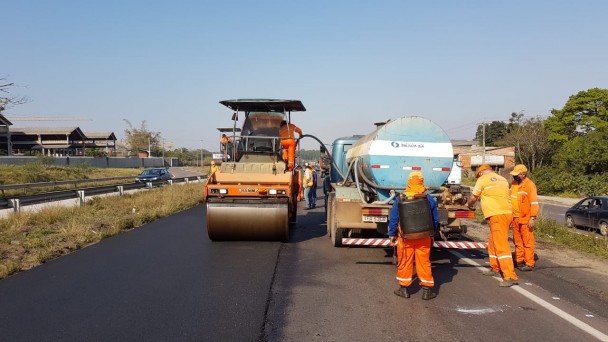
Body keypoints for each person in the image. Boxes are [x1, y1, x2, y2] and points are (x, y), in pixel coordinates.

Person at [389, 171, 439, 300]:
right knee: (424, 262)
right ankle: (427, 291)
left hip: (406, 237)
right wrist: (432, 234)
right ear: (422, 182)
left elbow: (394, 218)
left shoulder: (400, 198)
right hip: (424, 236)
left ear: (409, 182)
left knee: (405, 261)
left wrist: (392, 234)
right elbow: (435, 220)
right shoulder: (429, 199)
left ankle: (404, 289)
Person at [467, 164, 518, 287]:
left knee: (501, 245)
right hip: (507, 213)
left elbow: (474, 197)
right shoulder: (502, 179)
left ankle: (509, 276)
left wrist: (469, 204)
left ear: (480, 173)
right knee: (493, 242)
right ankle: (495, 268)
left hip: (497, 215)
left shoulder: (482, 179)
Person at [510, 164, 539, 272]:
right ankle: (519, 260)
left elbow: (534, 202)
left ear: (523, 174)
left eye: (516, 174)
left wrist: (532, 217)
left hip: (526, 219)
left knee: (527, 241)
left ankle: (529, 263)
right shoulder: (514, 184)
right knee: (517, 241)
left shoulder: (530, 185)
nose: (514, 176)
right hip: (515, 218)